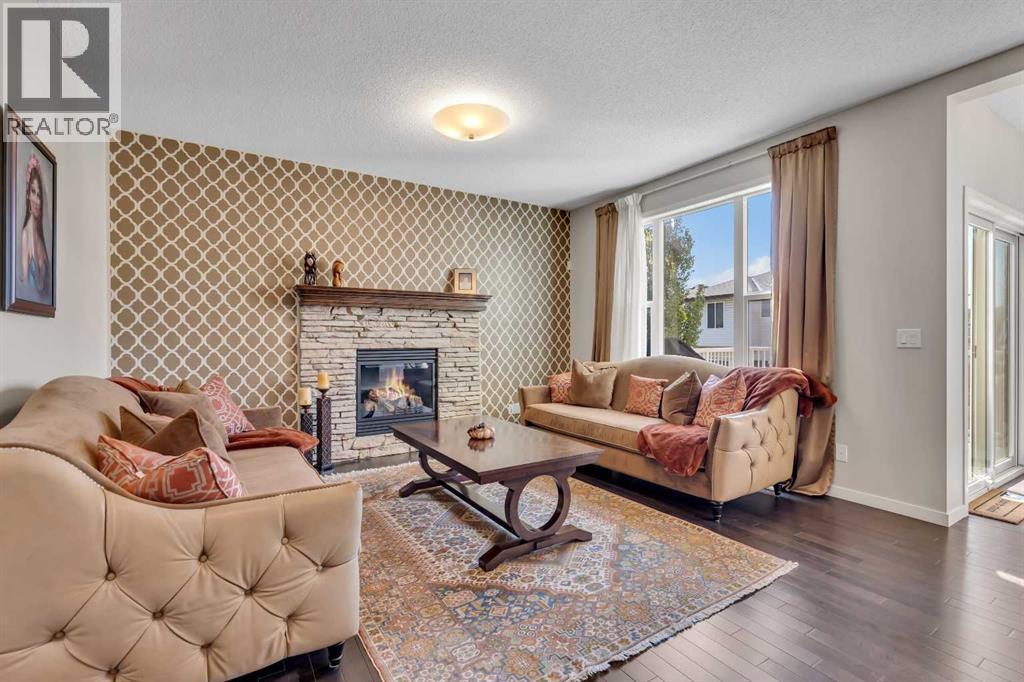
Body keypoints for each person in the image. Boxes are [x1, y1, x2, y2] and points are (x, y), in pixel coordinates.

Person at [19, 155, 50, 298]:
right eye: (33, 192)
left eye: (39, 195)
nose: (37, 200)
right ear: (27, 195)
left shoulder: (41, 237)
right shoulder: (25, 235)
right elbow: (24, 287)